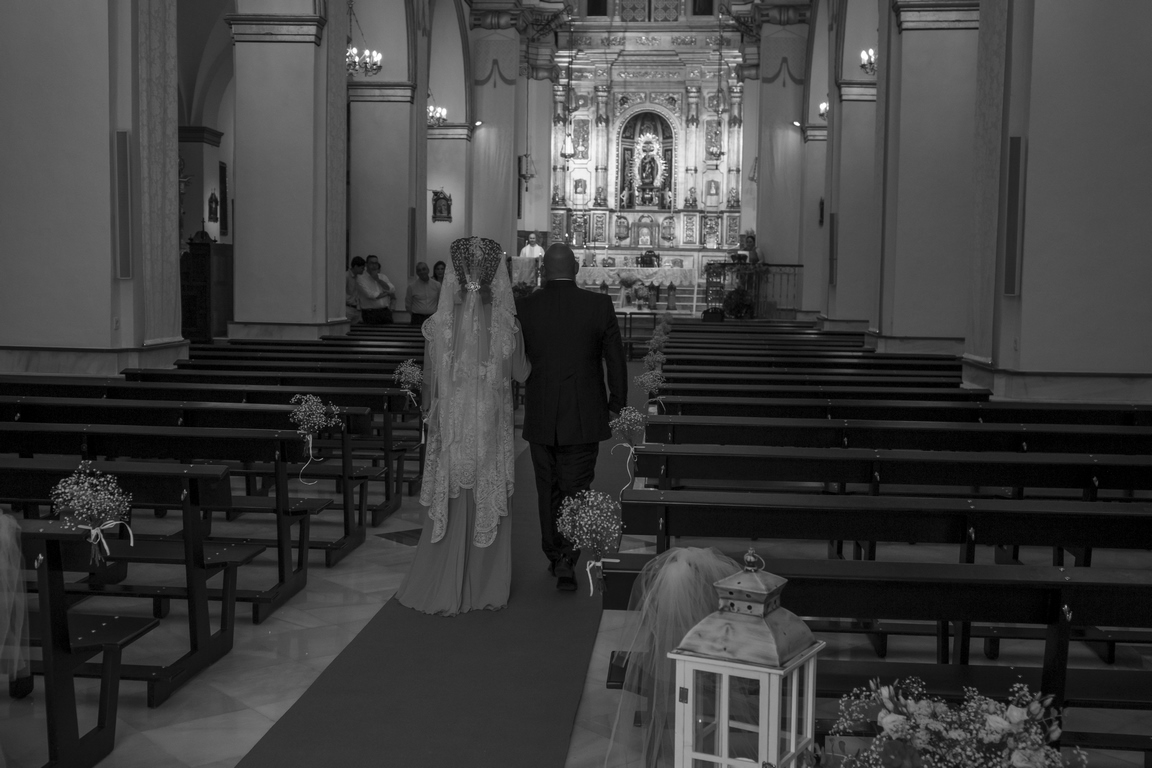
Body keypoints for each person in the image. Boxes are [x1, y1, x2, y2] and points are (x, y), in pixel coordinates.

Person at [396, 237, 530, 616]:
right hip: (489, 425)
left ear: (454, 271)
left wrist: (432, 415)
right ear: (496, 274)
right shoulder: (507, 323)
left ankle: (442, 575)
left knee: (452, 494)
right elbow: (522, 373)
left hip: (453, 425)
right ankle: (485, 583)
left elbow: (429, 384)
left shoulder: (438, 323)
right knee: (487, 493)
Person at [516, 243, 628, 590]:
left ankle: (554, 553)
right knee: (577, 488)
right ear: (577, 268)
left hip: (541, 412)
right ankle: (567, 556)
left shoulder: (525, 307)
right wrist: (617, 401)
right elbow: (615, 357)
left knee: (547, 487)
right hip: (584, 413)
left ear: (543, 270)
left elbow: (515, 360)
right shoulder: (598, 305)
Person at [357, 254, 395, 325]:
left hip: (385, 311)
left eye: (376, 263)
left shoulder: (383, 277)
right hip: (370, 313)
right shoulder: (360, 278)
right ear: (366, 265)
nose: (374, 266)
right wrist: (387, 293)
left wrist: (378, 280)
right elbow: (370, 295)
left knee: (390, 331)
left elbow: (391, 289)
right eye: (372, 263)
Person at [405, 261, 440, 326]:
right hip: (417, 318)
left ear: (428, 270)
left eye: (424, 269)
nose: (422, 272)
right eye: (419, 270)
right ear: (417, 273)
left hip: (432, 318)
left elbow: (440, 302)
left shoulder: (437, 285)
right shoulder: (411, 287)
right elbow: (408, 305)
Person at [345, 256, 365, 322]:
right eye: (362, 268)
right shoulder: (346, 276)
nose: (363, 270)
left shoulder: (358, 278)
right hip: (348, 307)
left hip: (356, 308)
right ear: (356, 266)